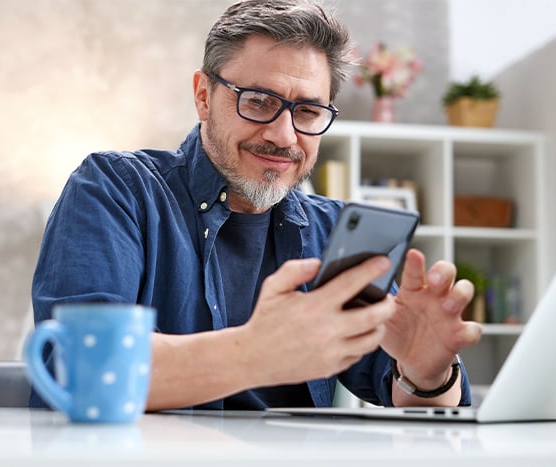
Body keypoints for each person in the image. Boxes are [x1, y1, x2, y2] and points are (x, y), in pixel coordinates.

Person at [30, 0, 482, 411]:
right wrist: (258, 352)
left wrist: (426, 372)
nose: (284, 136)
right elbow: (85, 370)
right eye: (260, 102)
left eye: (307, 112)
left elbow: (404, 392)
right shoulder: (117, 189)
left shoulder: (332, 230)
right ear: (204, 96)